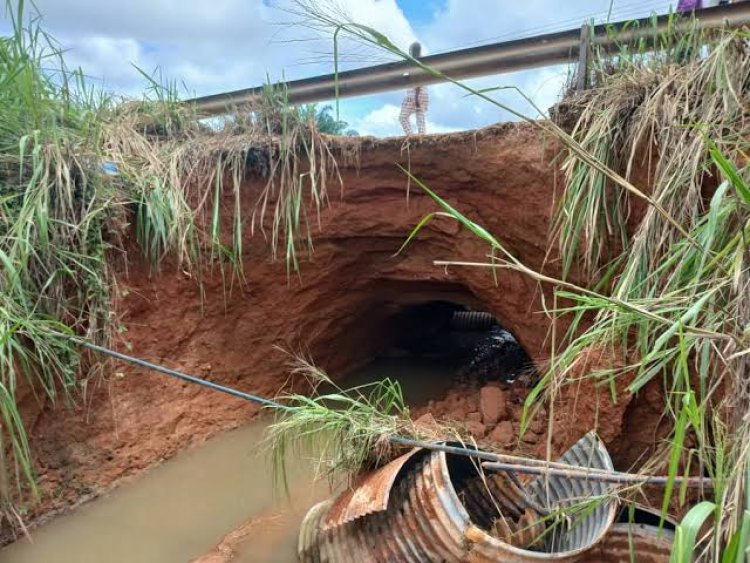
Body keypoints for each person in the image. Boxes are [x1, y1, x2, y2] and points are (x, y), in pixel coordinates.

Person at [399, 42, 429, 136]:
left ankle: (411, 136)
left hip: (414, 94)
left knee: (403, 117)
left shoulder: (411, 63)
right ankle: (421, 136)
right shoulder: (425, 61)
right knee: (420, 116)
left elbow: (416, 79)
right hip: (423, 95)